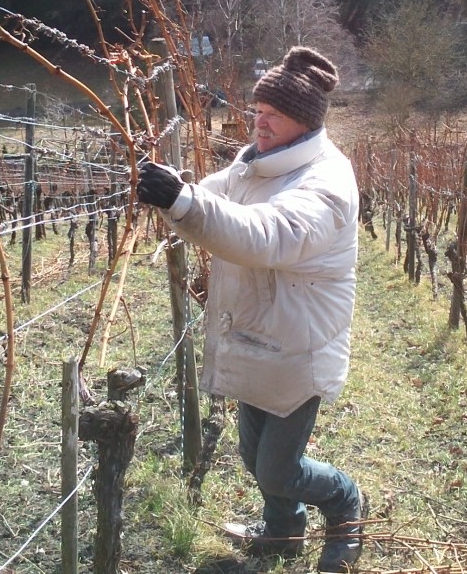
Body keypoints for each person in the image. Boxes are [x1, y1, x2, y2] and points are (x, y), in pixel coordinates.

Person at [136, 46, 366, 573]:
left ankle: (345, 504)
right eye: (257, 111)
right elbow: (210, 196)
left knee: (279, 470)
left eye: (273, 114)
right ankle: (283, 532)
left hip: (298, 345)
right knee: (253, 457)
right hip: (258, 334)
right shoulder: (256, 164)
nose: (258, 122)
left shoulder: (325, 183)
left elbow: (268, 234)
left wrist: (182, 202)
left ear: (305, 121)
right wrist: (172, 188)